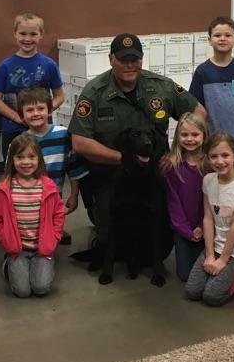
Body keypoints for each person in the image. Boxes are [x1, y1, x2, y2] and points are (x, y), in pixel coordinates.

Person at [68, 32, 206, 271]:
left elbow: (199, 114)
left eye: (135, 59)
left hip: (152, 174)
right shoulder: (95, 92)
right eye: (123, 59)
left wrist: (176, 152)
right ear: (111, 59)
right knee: (109, 241)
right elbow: (79, 142)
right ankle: (100, 227)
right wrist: (123, 158)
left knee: (160, 249)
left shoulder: (160, 86)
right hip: (111, 175)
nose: (130, 65)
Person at [184, 133, 234, 306]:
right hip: (216, 246)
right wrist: (210, 255)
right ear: (208, 158)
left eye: (225, 155)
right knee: (192, 291)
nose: (220, 161)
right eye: (214, 156)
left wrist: (223, 260)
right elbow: (208, 219)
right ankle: (223, 270)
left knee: (211, 296)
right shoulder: (208, 180)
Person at [0, 133, 65, 297]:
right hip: (17, 249)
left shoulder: (48, 186)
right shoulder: (5, 188)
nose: (26, 162)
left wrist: (54, 237)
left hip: (42, 247)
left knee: (41, 288)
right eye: (20, 157)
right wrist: (5, 238)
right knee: (22, 292)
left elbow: (58, 214)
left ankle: (43, 265)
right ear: (12, 160)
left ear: (39, 159)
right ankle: (8, 266)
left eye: (31, 156)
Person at [0, 12, 65, 160]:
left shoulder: (49, 65)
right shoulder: (5, 66)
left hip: (42, 129)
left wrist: (44, 113)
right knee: (15, 169)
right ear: (15, 34)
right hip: (14, 129)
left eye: (33, 34)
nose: (27, 39)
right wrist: (17, 117)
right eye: (23, 34)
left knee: (42, 167)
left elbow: (60, 96)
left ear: (41, 35)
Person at [17, 87, 87, 245]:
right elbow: (10, 176)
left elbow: (74, 168)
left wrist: (74, 195)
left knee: (48, 243)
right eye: (29, 110)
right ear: (22, 116)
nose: (35, 113)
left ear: (49, 110)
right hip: (27, 201)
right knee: (31, 241)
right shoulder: (19, 142)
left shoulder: (63, 135)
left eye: (41, 108)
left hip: (54, 200)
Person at [189, 16, 234, 153]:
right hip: (211, 140)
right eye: (217, 35)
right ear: (209, 40)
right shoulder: (202, 72)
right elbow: (197, 110)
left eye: (228, 35)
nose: (222, 38)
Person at [164, 112, 209, 282]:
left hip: (207, 229)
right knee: (185, 275)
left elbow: (213, 202)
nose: (190, 139)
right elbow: (173, 203)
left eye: (195, 134)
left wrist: (202, 226)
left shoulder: (210, 165)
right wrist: (186, 231)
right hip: (183, 231)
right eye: (184, 134)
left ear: (204, 136)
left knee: (207, 270)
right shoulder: (172, 165)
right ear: (178, 137)